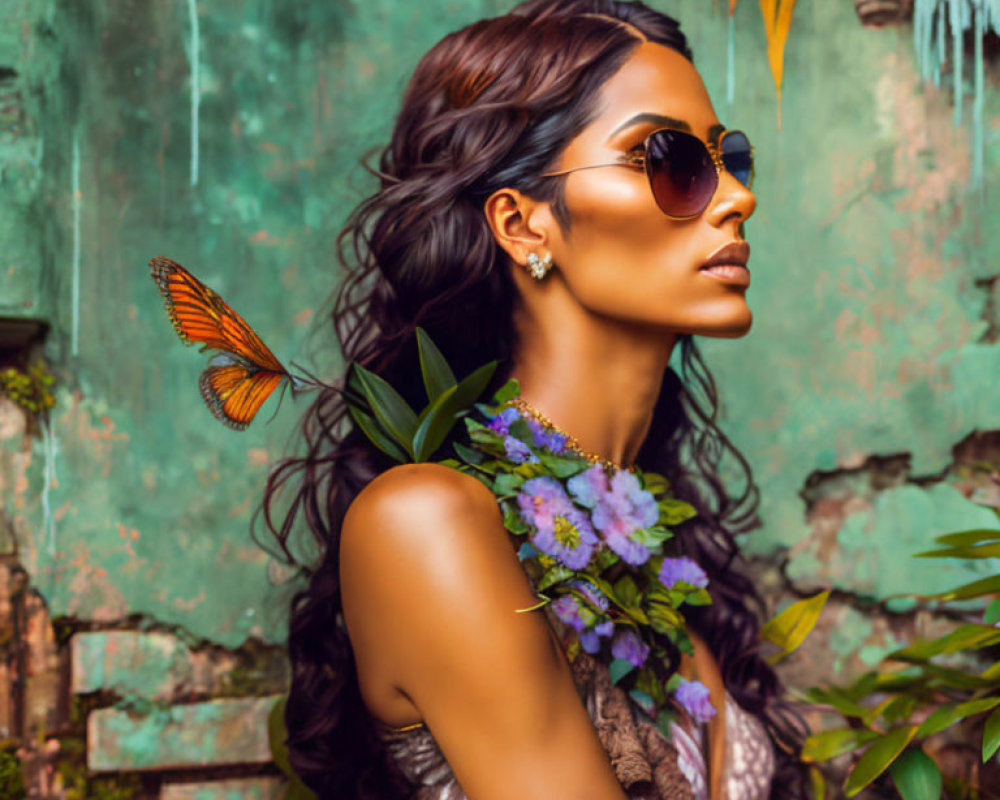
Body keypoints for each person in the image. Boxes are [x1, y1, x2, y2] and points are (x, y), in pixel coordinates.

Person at [259, 1, 810, 798]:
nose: (735, 198)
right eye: (668, 158)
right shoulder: (427, 522)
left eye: (731, 160)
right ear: (522, 225)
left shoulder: (644, 543)